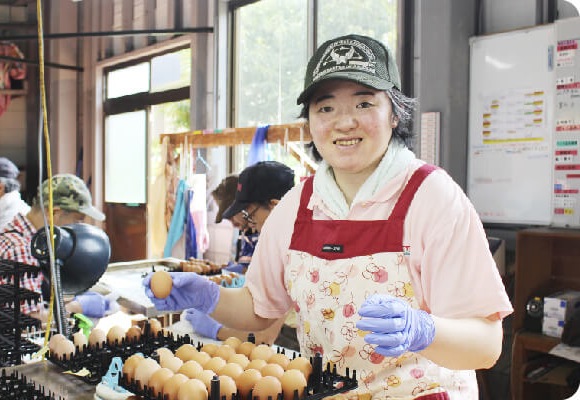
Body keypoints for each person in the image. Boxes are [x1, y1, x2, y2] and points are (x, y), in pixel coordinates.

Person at [144, 34, 513, 399]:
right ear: (310, 123)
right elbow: (259, 308)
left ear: (395, 113)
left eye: (364, 103)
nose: (345, 122)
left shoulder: (432, 198)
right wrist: (207, 295)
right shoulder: (296, 206)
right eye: (326, 108)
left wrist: (424, 331)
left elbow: (486, 343)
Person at [183, 161, 298, 348]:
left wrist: (217, 330)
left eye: (250, 215)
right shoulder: (280, 245)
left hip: (291, 342)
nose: (251, 226)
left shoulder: (295, 253)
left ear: (275, 206)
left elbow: (265, 337)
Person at [0, 173, 106, 317]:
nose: (79, 227)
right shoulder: (21, 249)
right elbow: (30, 320)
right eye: (78, 220)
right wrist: (77, 307)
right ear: (54, 213)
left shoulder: (23, 235)